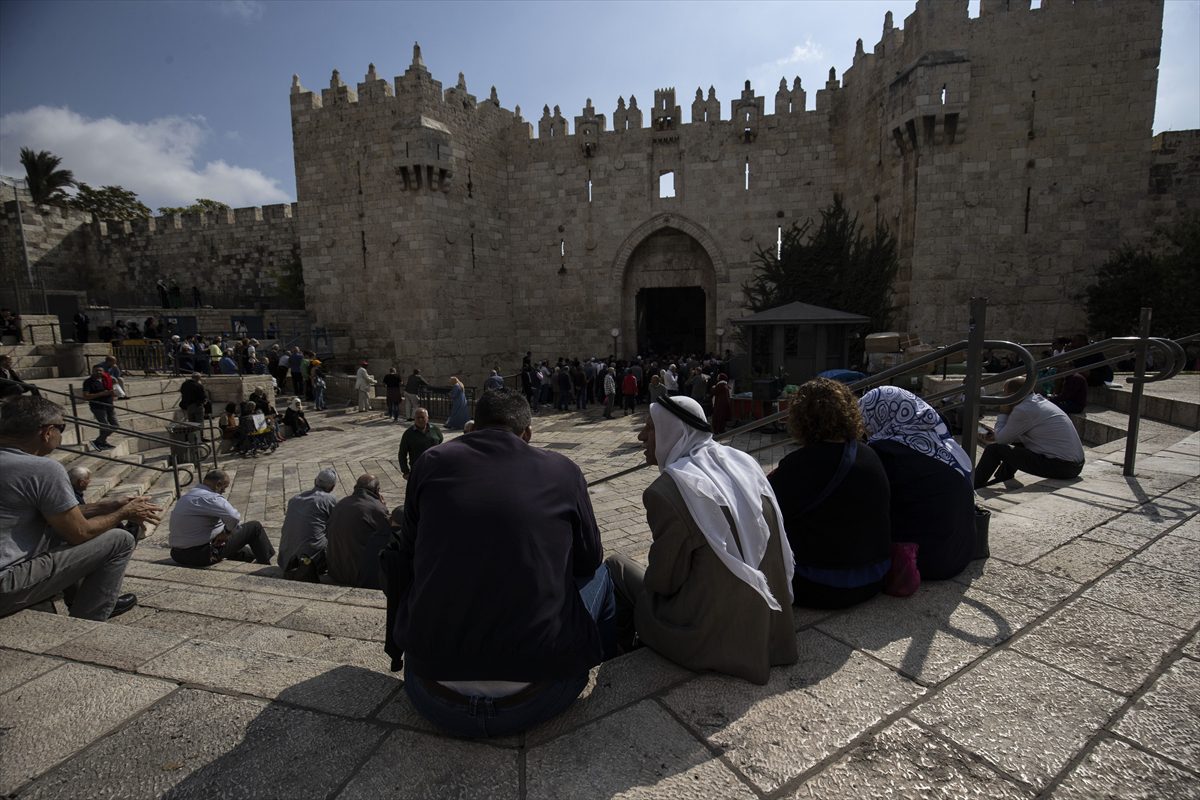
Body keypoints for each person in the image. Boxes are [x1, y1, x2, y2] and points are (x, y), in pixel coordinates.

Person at [386, 388, 615, 737]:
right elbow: (588, 559)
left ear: (474, 427)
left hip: (431, 691)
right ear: (527, 434)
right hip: (541, 695)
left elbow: (410, 554)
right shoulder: (563, 471)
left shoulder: (430, 463)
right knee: (604, 572)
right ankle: (616, 671)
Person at [605, 395, 796, 684]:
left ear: (674, 432)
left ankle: (628, 648)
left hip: (712, 636)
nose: (641, 436)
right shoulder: (743, 464)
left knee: (616, 566)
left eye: (651, 427)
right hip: (770, 627)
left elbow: (662, 582)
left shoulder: (666, 491)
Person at [0, 396, 159, 620]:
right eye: (62, 427)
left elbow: (55, 515)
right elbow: (80, 533)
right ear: (47, 432)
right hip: (5, 585)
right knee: (119, 539)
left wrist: (109, 505)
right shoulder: (43, 469)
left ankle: (79, 598)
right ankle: (88, 620)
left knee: (57, 530)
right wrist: (123, 513)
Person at [767, 379, 892, 608]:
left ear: (801, 420)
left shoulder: (798, 465)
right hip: (875, 576)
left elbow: (768, 516)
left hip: (817, 586)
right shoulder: (870, 455)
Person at [859, 386, 975, 582]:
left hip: (925, 562)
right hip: (962, 551)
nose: (866, 429)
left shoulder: (887, 450)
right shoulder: (937, 436)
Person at [975, 377, 1085, 488]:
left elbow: (1002, 440)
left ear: (1013, 395)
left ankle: (973, 485)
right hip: (1074, 466)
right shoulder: (1037, 402)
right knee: (1017, 443)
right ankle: (1003, 476)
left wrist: (1003, 413)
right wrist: (996, 435)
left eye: (1005, 393)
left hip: (1062, 467)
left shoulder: (1024, 409)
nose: (1003, 397)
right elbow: (1009, 436)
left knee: (994, 450)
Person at [167, 469, 274, 567]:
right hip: (202, 555)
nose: (224, 491)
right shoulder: (211, 497)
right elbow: (233, 517)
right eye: (224, 488)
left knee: (248, 554)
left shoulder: (187, 496)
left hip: (177, 554)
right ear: (218, 484)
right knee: (254, 527)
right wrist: (226, 533)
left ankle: (251, 558)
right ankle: (265, 565)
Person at [326, 474, 391, 588]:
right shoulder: (376, 508)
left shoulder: (341, 503)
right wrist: (383, 507)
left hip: (335, 569)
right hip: (358, 573)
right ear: (377, 490)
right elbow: (389, 533)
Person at [278, 468, 339, 580]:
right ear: (332, 487)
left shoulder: (294, 499)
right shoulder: (330, 500)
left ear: (315, 481)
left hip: (284, 560)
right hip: (309, 563)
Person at [81, 363, 119, 451]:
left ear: (103, 371)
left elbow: (111, 391)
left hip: (109, 405)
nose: (98, 372)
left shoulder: (107, 379)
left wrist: (114, 393)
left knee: (115, 425)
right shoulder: (88, 382)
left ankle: (101, 441)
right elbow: (86, 396)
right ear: (92, 371)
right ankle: (100, 442)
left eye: (100, 371)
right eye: (96, 371)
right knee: (105, 426)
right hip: (98, 407)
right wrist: (102, 393)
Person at [398, 408, 443, 479]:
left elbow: (440, 441)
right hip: (418, 469)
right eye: (418, 418)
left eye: (422, 417)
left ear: (427, 418)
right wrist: (405, 471)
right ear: (414, 418)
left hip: (434, 468)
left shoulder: (435, 429)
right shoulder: (408, 434)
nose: (420, 420)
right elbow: (402, 453)